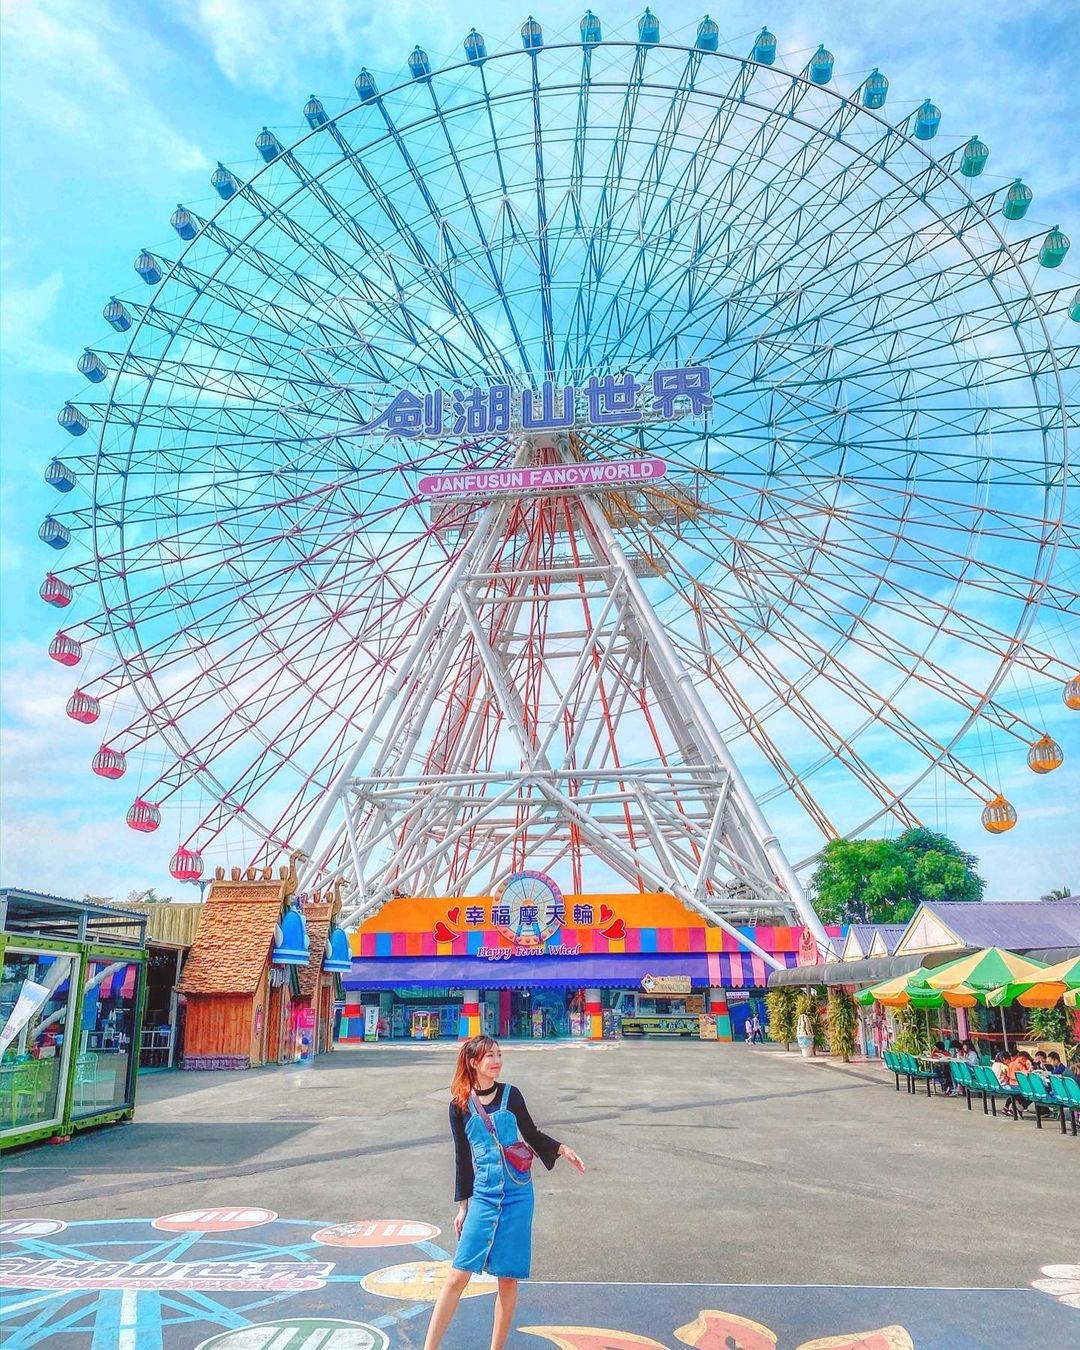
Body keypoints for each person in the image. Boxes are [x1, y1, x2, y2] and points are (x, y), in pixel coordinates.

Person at [424, 1035, 586, 1350]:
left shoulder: (512, 1095)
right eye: (490, 1056)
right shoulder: (459, 1106)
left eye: (499, 1054)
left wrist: (562, 1148)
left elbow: (532, 1135)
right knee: (457, 1275)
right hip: (484, 1196)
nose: (497, 1061)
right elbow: (462, 1159)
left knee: (507, 1277)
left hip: (518, 1195)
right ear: (474, 1062)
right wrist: (463, 1207)